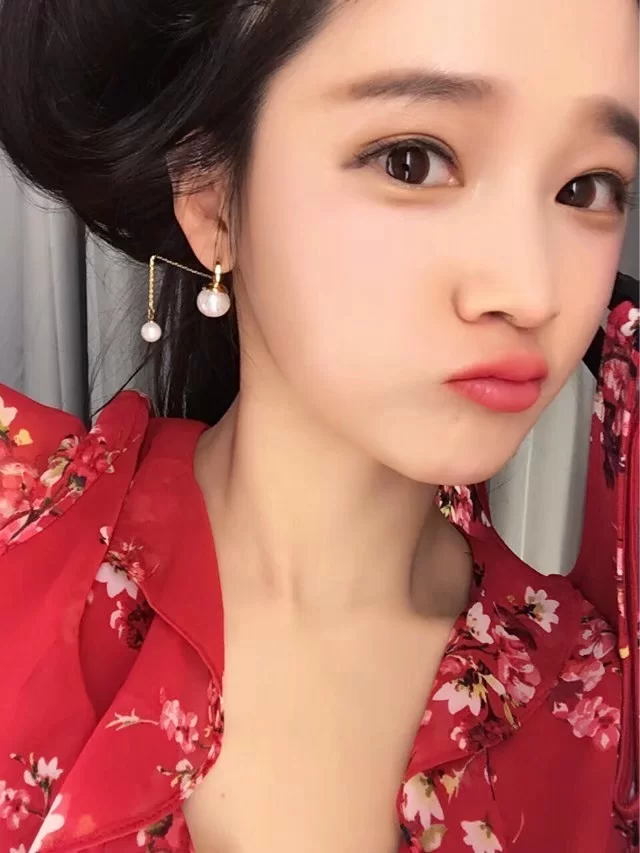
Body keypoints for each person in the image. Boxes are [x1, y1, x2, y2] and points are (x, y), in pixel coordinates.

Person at [0, 1, 637, 851]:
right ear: (211, 195)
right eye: (413, 161)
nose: (531, 291)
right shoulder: (18, 550)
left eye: (588, 187)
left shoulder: (597, 715)